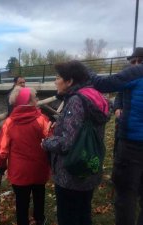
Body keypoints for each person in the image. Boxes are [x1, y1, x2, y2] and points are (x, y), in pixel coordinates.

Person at [41, 60, 109, 225]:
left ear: (69, 81)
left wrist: (46, 143)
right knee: (83, 213)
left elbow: (66, 143)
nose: (55, 81)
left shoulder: (76, 101)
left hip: (71, 174)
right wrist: (62, 120)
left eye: (58, 77)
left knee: (68, 217)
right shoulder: (94, 95)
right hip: (89, 165)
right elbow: (82, 125)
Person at [90, 47, 143, 225]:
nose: (134, 64)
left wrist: (86, 71)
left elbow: (103, 84)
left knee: (126, 195)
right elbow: (120, 94)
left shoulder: (136, 73)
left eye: (138, 60)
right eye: (132, 61)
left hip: (133, 145)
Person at [0, 86, 51, 225]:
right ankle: (39, 219)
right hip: (39, 167)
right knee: (39, 195)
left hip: (19, 171)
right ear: (30, 101)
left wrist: (1, 166)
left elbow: (2, 149)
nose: (37, 100)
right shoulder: (41, 119)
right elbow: (50, 140)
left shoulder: (9, 122)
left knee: (21, 200)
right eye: (35, 98)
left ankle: (23, 221)